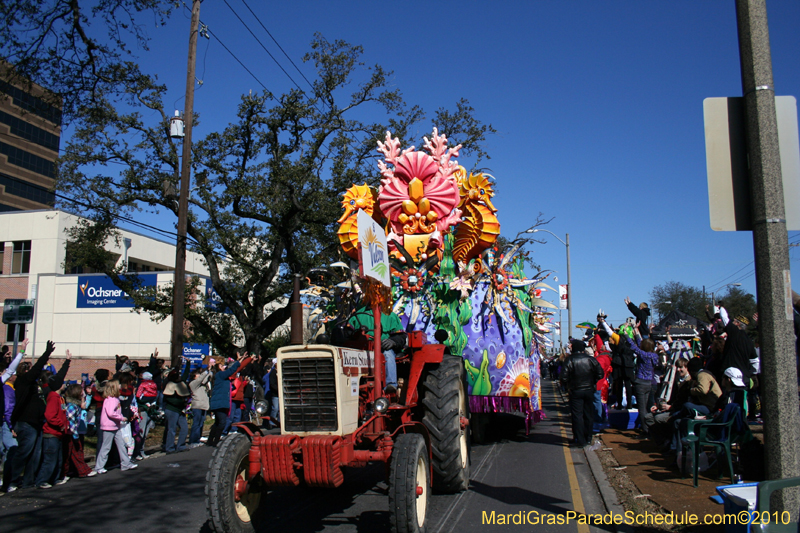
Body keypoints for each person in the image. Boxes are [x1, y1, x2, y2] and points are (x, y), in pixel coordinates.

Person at [8, 340, 58, 491]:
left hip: (36, 423)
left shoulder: (35, 386)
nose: (34, 372)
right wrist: (47, 353)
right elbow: (36, 369)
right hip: (26, 423)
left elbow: (55, 380)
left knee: (35, 455)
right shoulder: (23, 382)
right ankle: (12, 481)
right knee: (23, 453)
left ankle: (29, 481)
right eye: (29, 369)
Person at [348, 305, 406, 394]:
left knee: (388, 354)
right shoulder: (359, 314)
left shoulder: (390, 315)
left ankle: (390, 385)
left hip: (383, 347)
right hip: (362, 347)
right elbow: (348, 331)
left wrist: (392, 341)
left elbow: (401, 336)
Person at [560, 339, 604, 448]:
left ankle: (579, 439)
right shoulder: (591, 360)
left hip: (575, 390)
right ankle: (588, 437)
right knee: (588, 414)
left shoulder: (570, 360)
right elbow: (600, 374)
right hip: (589, 390)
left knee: (577, 415)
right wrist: (592, 381)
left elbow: (563, 377)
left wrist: (568, 386)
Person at [90, 380, 137, 476]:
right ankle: (99, 467)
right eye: (118, 385)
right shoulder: (111, 400)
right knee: (106, 447)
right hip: (109, 426)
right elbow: (111, 413)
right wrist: (121, 417)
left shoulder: (114, 399)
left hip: (115, 425)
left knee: (121, 445)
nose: (120, 386)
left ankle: (125, 463)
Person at [207, 354, 252, 447]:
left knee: (218, 422)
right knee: (222, 422)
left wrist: (240, 361)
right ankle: (216, 440)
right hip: (219, 402)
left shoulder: (222, 377)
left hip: (220, 402)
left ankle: (210, 440)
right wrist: (238, 362)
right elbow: (232, 370)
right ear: (218, 367)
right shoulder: (220, 375)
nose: (224, 367)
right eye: (222, 366)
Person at [626, 335, 660, 436]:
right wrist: (636, 334)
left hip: (640, 382)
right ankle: (650, 428)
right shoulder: (655, 356)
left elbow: (633, 346)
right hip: (649, 382)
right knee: (648, 406)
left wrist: (625, 334)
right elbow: (640, 345)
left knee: (642, 408)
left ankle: (646, 430)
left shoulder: (643, 354)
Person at [62, 384, 92, 479]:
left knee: (74, 453)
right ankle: (79, 471)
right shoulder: (72, 406)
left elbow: (85, 405)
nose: (83, 392)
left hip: (74, 433)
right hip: (70, 434)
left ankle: (72, 471)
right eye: (81, 391)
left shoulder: (77, 405)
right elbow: (71, 422)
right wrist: (75, 435)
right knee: (73, 453)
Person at [162, 362, 191, 454]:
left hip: (180, 410)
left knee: (184, 428)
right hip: (172, 410)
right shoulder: (169, 385)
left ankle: (181, 445)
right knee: (172, 429)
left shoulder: (181, 382)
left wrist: (188, 364)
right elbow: (169, 399)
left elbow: (185, 374)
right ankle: (169, 447)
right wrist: (181, 402)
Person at [188, 366, 212, 446]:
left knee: (201, 423)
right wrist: (205, 371)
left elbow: (206, 379)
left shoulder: (202, 385)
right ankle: (193, 440)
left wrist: (209, 371)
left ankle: (198, 438)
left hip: (204, 406)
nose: (199, 375)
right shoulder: (193, 384)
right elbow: (200, 379)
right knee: (196, 424)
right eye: (198, 374)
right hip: (197, 406)